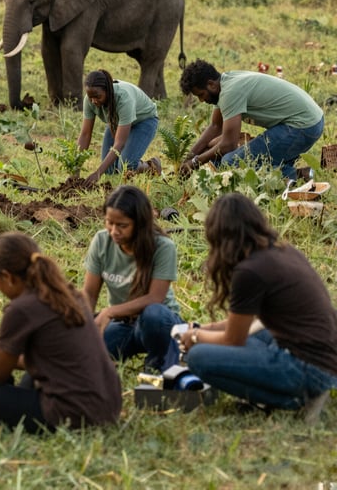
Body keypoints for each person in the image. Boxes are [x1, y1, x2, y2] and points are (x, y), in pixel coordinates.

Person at [180, 193, 337, 422]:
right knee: (255, 334)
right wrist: (206, 328)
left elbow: (233, 339)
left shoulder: (249, 271)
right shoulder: (282, 251)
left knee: (198, 357)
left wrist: (195, 336)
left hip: (309, 369)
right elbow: (248, 324)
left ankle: (296, 399)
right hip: (326, 359)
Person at [0, 232, 121, 431]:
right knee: (27, 377)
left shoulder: (21, 309)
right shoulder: (69, 294)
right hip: (107, 408)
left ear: (7, 277)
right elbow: (51, 359)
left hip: (70, 415)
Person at [83, 185, 182, 372]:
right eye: (109, 223)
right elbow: (89, 293)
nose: (114, 231)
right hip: (124, 324)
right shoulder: (102, 241)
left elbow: (155, 298)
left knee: (153, 314)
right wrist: (86, 327)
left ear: (140, 224)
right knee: (88, 352)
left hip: (160, 324)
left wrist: (109, 312)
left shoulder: (163, 246)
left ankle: (159, 364)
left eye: (122, 225)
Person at [178, 59, 324, 181]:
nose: (201, 100)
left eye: (201, 95)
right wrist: (187, 158)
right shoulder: (225, 83)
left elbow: (228, 145)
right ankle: (288, 170)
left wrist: (195, 162)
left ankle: (298, 175)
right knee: (220, 161)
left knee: (230, 162)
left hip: (303, 127)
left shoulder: (230, 92)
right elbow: (215, 127)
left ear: (211, 85)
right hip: (306, 122)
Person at [77, 69, 161, 187]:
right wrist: (75, 169)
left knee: (126, 165)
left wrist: (98, 173)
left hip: (144, 121)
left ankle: (152, 166)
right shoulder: (90, 100)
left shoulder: (124, 98)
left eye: (97, 97)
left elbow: (119, 143)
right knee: (109, 170)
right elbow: (85, 135)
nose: (94, 101)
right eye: (91, 97)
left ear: (108, 90)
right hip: (117, 122)